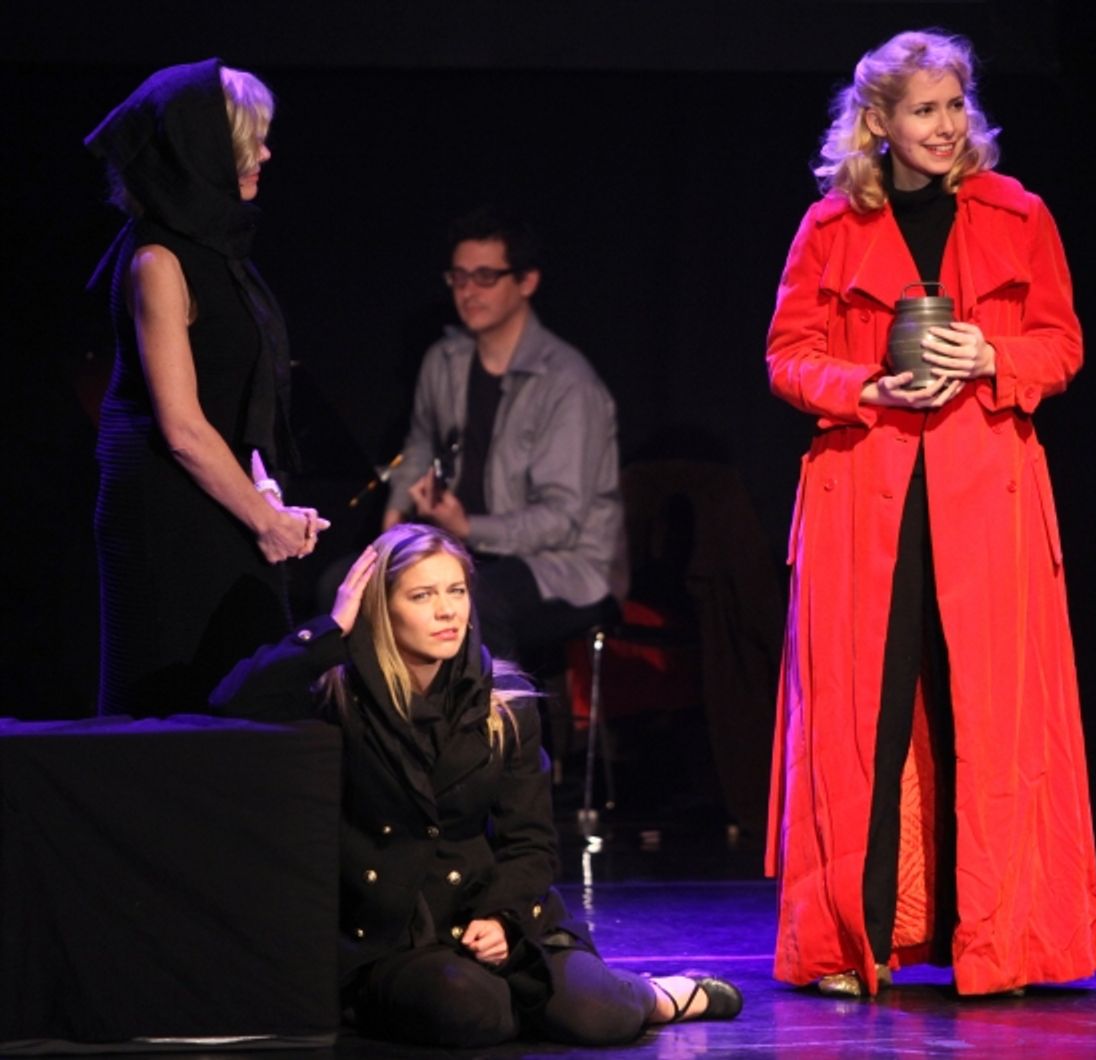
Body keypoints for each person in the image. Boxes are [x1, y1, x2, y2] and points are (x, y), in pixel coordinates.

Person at [763, 30, 1096, 998]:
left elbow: (1062, 342)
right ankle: (850, 940)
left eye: (956, 106)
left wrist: (992, 358)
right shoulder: (829, 226)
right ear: (877, 123)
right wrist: (866, 384)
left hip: (986, 487)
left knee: (990, 706)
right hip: (862, 490)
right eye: (924, 110)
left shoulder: (1019, 214)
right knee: (862, 711)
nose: (946, 126)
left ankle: (996, 938)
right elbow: (787, 356)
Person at [209, 523, 742, 1047]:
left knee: (598, 1014)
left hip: (491, 916)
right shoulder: (340, 695)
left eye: (456, 591)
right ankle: (522, 1005)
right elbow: (234, 701)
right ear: (381, 606)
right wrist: (333, 627)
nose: (447, 611)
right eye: (422, 595)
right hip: (398, 939)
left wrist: (505, 919)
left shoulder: (502, 701)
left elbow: (530, 842)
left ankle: (659, 996)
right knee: (467, 1006)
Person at [85, 59, 327, 717]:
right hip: (166, 513)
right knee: (174, 702)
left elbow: (238, 396)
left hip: (220, 498)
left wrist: (267, 491)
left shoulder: (216, 249)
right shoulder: (155, 261)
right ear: (200, 152)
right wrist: (266, 523)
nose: (266, 155)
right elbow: (184, 427)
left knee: (245, 690)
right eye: (249, 142)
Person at [381, 207, 623, 669]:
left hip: (562, 565)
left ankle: (493, 735)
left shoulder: (568, 383)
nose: (468, 291)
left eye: (485, 277)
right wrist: (393, 529)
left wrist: (468, 528)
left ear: (526, 282)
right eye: (459, 277)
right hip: (462, 551)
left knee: (474, 604)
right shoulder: (444, 360)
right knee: (345, 584)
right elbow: (418, 446)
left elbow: (562, 521)